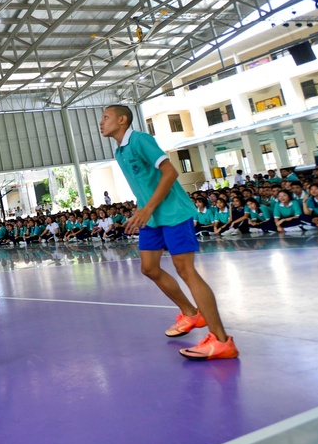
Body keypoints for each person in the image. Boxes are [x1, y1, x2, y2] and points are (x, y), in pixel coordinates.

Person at [100, 105, 238, 360]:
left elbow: (171, 171)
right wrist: (141, 210)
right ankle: (190, 313)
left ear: (122, 120)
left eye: (106, 117)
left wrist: (147, 208)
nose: (101, 122)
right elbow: (145, 185)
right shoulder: (120, 151)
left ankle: (221, 341)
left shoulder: (140, 139)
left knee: (186, 270)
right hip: (151, 218)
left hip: (173, 212)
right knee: (149, 268)